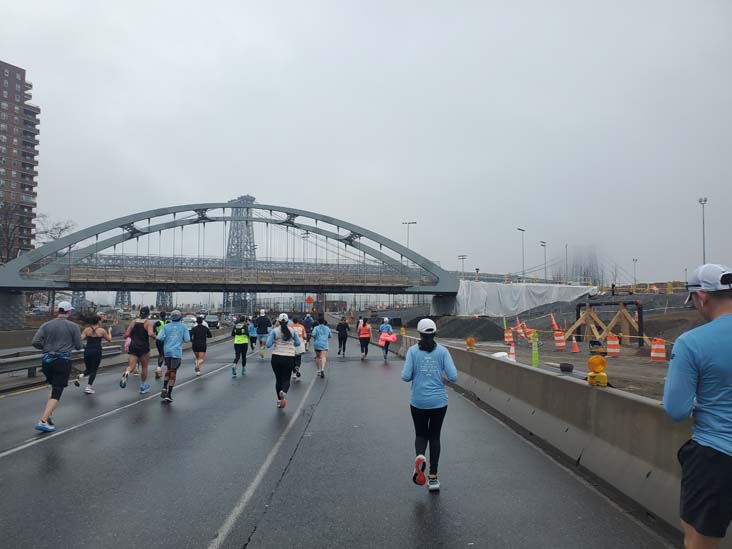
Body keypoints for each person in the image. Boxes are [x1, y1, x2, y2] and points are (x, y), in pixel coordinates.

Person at [663, 264, 732, 547]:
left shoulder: (691, 343)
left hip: (715, 456)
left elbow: (676, 409)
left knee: (699, 540)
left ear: (702, 296)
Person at [401, 318, 458, 492]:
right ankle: (433, 478)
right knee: (434, 436)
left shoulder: (412, 351)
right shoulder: (443, 352)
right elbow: (454, 376)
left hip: (418, 401)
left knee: (420, 434)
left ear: (419, 333)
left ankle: (420, 456)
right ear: (434, 333)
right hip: (439, 402)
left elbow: (405, 376)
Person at [32, 301, 83, 432]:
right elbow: (78, 346)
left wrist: (47, 348)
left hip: (47, 360)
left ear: (58, 311)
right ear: (69, 312)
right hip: (62, 361)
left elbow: (35, 342)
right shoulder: (74, 326)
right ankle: (43, 421)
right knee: (57, 391)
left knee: (53, 386)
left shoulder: (46, 325)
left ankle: (49, 416)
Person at [265, 313, 301, 409]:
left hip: (276, 357)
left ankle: (279, 400)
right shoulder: (292, 331)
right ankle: (283, 392)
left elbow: (268, 345)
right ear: (288, 321)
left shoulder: (275, 331)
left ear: (279, 321)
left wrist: (274, 340)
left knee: (278, 379)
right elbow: (297, 343)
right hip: (288, 357)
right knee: (286, 379)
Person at [156, 310, 191, 403]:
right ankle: (169, 394)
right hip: (176, 352)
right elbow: (187, 339)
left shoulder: (166, 326)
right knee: (173, 371)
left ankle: (164, 387)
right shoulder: (183, 327)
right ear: (180, 317)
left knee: (169, 369)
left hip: (167, 351)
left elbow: (159, 337)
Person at [120, 306, 155, 394]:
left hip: (133, 346)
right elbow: (150, 333)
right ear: (148, 314)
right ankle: (143, 386)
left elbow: (127, 333)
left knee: (131, 366)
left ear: (140, 313)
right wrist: (156, 338)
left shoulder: (133, 322)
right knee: (144, 367)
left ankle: (126, 373)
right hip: (143, 347)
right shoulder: (148, 323)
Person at [74, 315, 112, 394]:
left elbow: (80, 338)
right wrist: (109, 331)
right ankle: (88, 387)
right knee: (94, 370)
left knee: (89, 369)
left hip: (87, 351)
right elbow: (109, 340)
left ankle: (80, 376)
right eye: (100, 321)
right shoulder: (102, 330)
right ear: (98, 321)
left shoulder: (87, 330)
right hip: (96, 351)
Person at [153, 311, 169, 379]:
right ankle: (159, 368)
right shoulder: (168, 322)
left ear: (160, 316)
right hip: (166, 340)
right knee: (164, 353)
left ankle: (160, 366)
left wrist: (156, 332)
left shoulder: (158, 322)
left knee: (161, 353)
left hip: (159, 340)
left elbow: (153, 327)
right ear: (165, 315)